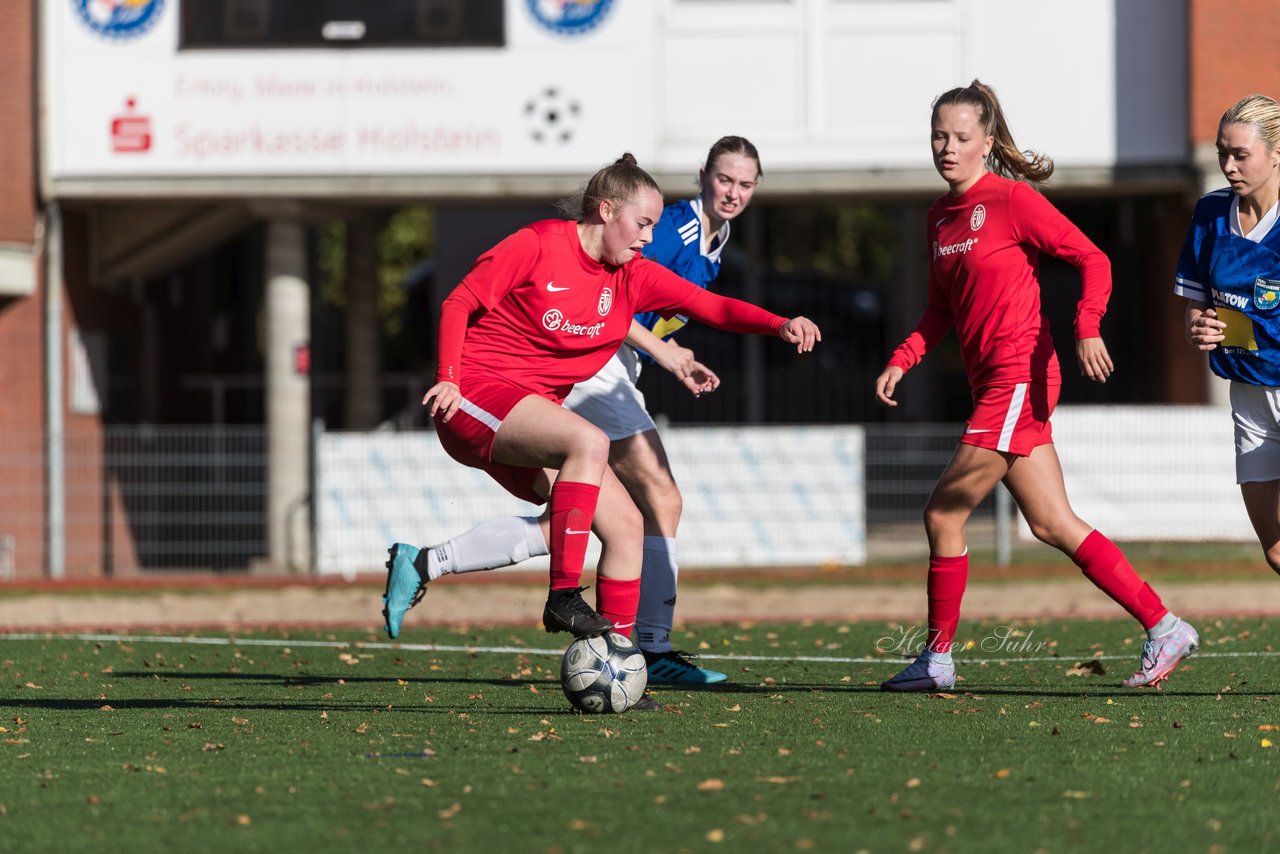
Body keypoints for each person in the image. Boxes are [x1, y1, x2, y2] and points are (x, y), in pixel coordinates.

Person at [381, 154, 819, 709]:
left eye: (655, 227)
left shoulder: (632, 276)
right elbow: (458, 301)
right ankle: (564, 596)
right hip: (473, 397)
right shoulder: (540, 243)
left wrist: (779, 324)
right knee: (588, 441)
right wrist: (446, 376)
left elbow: (712, 306)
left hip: (527, 415)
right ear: (606, 211)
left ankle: (619, 665)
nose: (649, 237)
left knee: (627, 525)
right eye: (643, 224)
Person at [873, 80, 1198, 692]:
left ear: (986, 142)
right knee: (1052, 523)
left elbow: (1093, 258)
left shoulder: (1012, 200)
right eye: (939, 136)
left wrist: (1087, 327)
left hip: (1019, 376)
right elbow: (940, 307)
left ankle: (938, 660)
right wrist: (905, 356)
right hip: (995, 384)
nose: (947, 147)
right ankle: (1165, 625)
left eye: (961, 137)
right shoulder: (938, 217)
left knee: (943, 513)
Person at [1178, 94, 1280, 576]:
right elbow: (1197, 302)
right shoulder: (1210, 212)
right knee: (1276, 548)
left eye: (1241, 154)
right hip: (1246, 390)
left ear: (1276, 152)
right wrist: (1198, 326)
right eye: (1223, 152)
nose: (1228, 165)